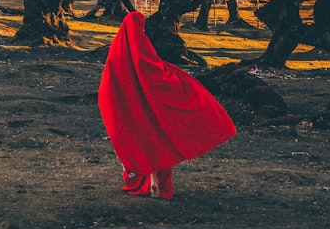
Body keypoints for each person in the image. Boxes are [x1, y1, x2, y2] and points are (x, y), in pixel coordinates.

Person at [98, 12, 236, 199]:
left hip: (131, 106)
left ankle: (149, 181)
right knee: (159, 140)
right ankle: (157, 183)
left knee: (145, 140)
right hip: (149, 104)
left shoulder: (118, 50)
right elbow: (150, 67)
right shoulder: (141, 45)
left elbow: (113, 80)